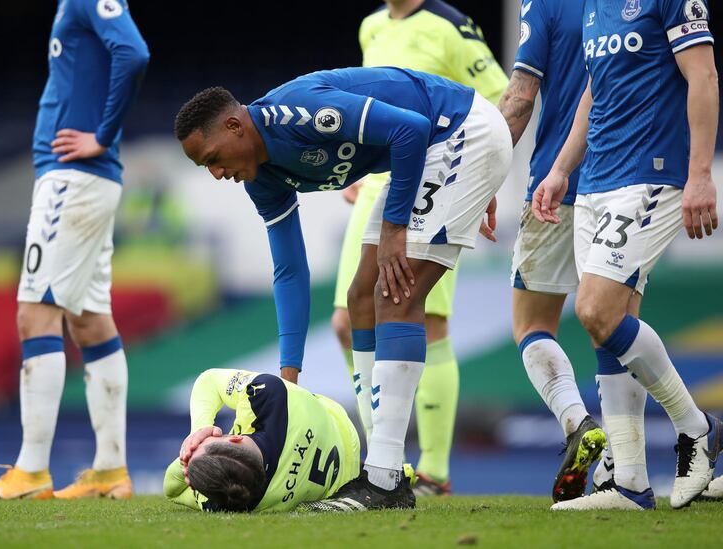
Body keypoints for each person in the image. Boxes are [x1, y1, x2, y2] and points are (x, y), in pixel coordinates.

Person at [174, 66, 512, 510]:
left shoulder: (299, 112)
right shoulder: (262, 178)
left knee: (397, 295)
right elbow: (290, 270)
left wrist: (396, 229)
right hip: (432, 152)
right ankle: (377, 470)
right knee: (359, 301)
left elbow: (410, 129)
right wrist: (288, 380)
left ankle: (385, 481)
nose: (217, 173)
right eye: (207, 168)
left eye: (214, 158)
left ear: (235, 125)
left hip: (456, 134)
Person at [534, 0, 721, 510]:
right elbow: (592, 98)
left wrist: (700, 174)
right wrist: (560, 170)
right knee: (607, 326)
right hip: (596, 181)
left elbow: (703, 76)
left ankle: (696, 427)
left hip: (649, 174)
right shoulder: (595, 6)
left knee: (594, 308)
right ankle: (631, 484)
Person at [0, 0, 149, 501]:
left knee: (35, 312)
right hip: (86, 181)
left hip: (73, 178)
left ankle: (31, 472)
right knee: (90, 319)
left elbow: (134, 52)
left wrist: (102, 136)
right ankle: (110, 471)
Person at [332, 0, 508, 496]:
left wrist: (485, 181)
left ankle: (433, 469)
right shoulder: (370, 26)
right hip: (380, 190)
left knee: (423, 318)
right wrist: (362, 168)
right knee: (349, 319)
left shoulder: (450, 26)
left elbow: (498, 95)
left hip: (439, 182)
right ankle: (382, 459)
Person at [498, 0, 616, 503]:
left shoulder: (544, 4)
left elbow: (522, 96)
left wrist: (487, 176)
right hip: (622, 181)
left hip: (555, 185)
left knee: (532, 326)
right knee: (615, 328)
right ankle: (621, 467)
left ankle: (576, 421)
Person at [164, 368, 363, 512]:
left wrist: (188, 461)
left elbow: (171, 489)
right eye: (211, 438)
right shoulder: (268, 394)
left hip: (343, 481)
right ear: (234, 439)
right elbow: (208, 380)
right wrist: (198, 435)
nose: (199, 441)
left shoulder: (229, 504)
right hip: (344, 433)